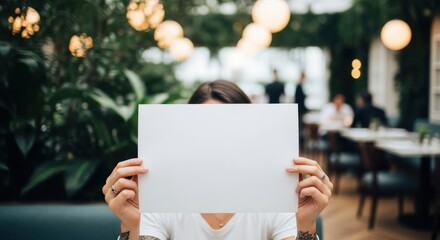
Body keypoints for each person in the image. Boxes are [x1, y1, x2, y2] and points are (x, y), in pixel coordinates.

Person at [103, 80, 333, 240]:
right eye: (206, 131)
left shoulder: (276, 199)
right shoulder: (162, 198)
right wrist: (132, 226)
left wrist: (305, 224)